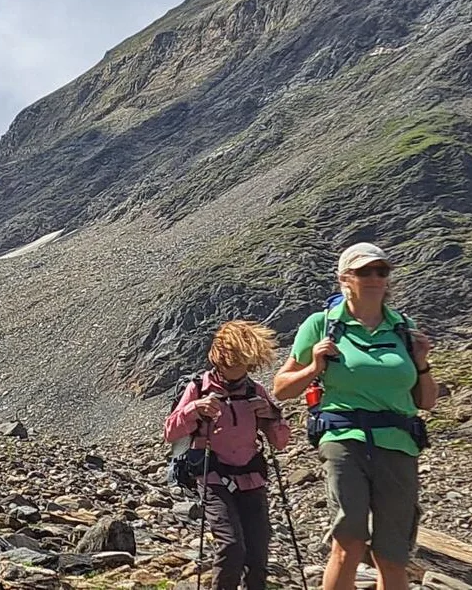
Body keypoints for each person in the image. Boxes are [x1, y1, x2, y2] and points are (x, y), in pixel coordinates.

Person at [273, 243, 437, 590]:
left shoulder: (403, 328)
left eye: (382, 271)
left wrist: (422, 363)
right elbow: (281, 388)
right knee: (349, 542)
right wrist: (315, 366)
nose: (375, 278)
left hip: (399, 443)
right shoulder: (322, 326)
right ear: (345, 278)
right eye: (365, 271)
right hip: (344, 438)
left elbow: (426, 401)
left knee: (393, 554)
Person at [164, 321, 289, 590]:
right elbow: (170, 432)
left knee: (257, 554)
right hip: (213, 477)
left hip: (251, 478)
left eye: (243, 362)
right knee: (231, 546)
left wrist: (271, 414)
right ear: (220, 359)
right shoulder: (198, 388)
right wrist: (195, 409)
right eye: (234, 361)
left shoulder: (256, 392)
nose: (237, 369)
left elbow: (280, 442)